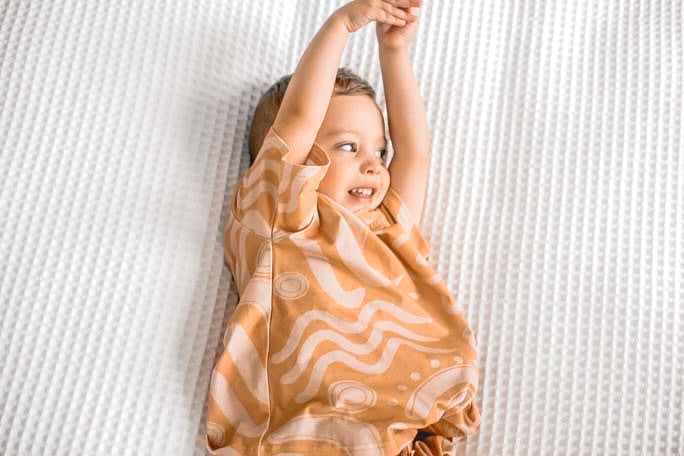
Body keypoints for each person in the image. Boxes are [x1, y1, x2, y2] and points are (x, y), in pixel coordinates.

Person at [205, 1, 481, 454]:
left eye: (379, 152)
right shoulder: (282, 215)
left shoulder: (387, 229)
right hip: (313, 425)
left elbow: (415, 153)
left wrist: (394, 53)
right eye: (349, 147)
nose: (373, 166)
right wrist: (341, 24)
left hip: (409, 418)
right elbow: (299, 118)